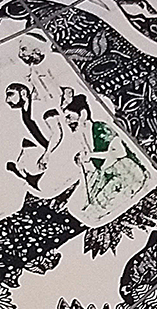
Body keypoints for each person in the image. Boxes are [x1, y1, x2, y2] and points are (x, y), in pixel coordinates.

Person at [62, 93, 149, 221]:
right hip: (110, 173)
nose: (68, 122)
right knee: (86, 206)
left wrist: (91, 155)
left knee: (95, 210)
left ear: (83, 114)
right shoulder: (83, 134)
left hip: (128, 173)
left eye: (69, 116)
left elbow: (120, 153)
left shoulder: (100, 128)